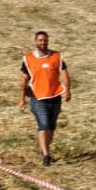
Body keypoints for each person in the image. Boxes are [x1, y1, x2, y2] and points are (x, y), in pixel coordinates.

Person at [18, 31, 71, 167]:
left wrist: (68, 90)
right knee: (44, 125)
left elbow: (64, 73)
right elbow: (24, 79)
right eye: (40, 40)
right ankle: (46, 156)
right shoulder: (28, 59)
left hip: (55, 96)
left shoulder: (56, 57)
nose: (43, 43)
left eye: (45, 40)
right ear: (36, 42)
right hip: (37, 97)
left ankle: (44, 149)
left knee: (51, 127)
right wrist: (22, 98)